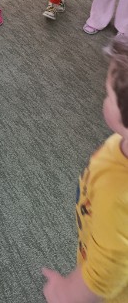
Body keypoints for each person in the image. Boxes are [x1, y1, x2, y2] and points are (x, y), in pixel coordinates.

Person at [42, 34, 128, 302]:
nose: (104, 98)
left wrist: (66, 293)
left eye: (108, 94)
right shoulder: (122, 143)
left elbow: (106, 271)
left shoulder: (118, 195)